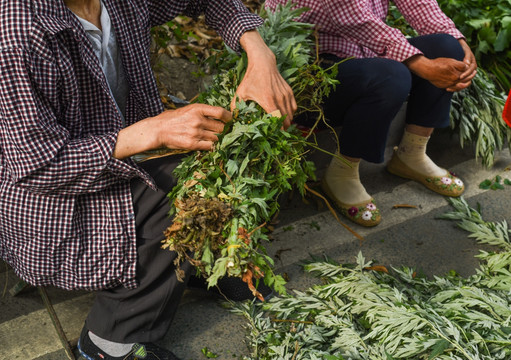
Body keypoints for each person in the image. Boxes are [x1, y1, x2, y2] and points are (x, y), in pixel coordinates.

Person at [0, 1, 296, 359]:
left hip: (126, 152)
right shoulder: (18, 27)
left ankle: (199, 262)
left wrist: (260, 54)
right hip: (55, 200)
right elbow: (37, 166)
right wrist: (155, 130)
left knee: (227, 151)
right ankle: (111, 336)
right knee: (184, 184)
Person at [265, 0, 477, 227]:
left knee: (447, 47)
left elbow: (418, 4)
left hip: (365, 58)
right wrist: (423, 65)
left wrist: (460, 45)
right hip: (310, 74)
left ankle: (412, 154)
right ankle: (342, 173)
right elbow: (357, 21)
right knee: (391, 76)